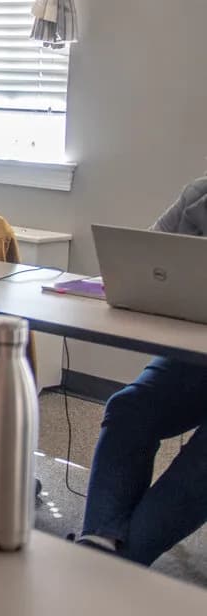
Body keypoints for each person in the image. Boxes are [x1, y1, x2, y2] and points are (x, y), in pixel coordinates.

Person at [77, 176, 207, 565]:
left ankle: (116, 566)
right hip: (195, 357)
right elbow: (143, 262)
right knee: (130, 408)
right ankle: (102, 542)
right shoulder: (198, 196)